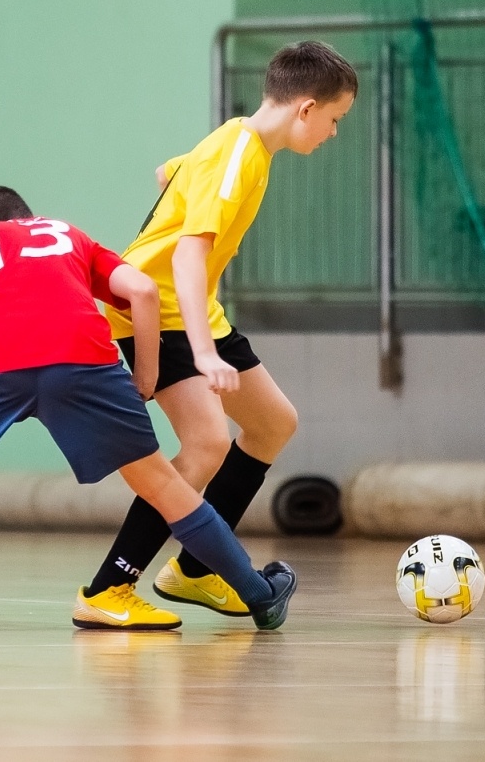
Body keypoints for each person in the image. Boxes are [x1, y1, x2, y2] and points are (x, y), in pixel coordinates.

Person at [0, 186, 296, 632]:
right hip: (81, 358)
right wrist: (146, 375)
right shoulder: (66, 234)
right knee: (163, 484)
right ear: (28, 217)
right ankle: (259, 595)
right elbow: (144, 292)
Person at [81, 40, 357, 629]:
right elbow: (188, 256)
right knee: (207, 444)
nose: (334, 133)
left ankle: (196, 569)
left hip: (198, 311)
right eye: (335, 119)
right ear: (306, 108)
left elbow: (168, 173)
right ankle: (109, 587)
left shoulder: (239, 144)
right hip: (159, 312)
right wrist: (204, 355)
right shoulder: (237, 154)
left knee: (273, 423)